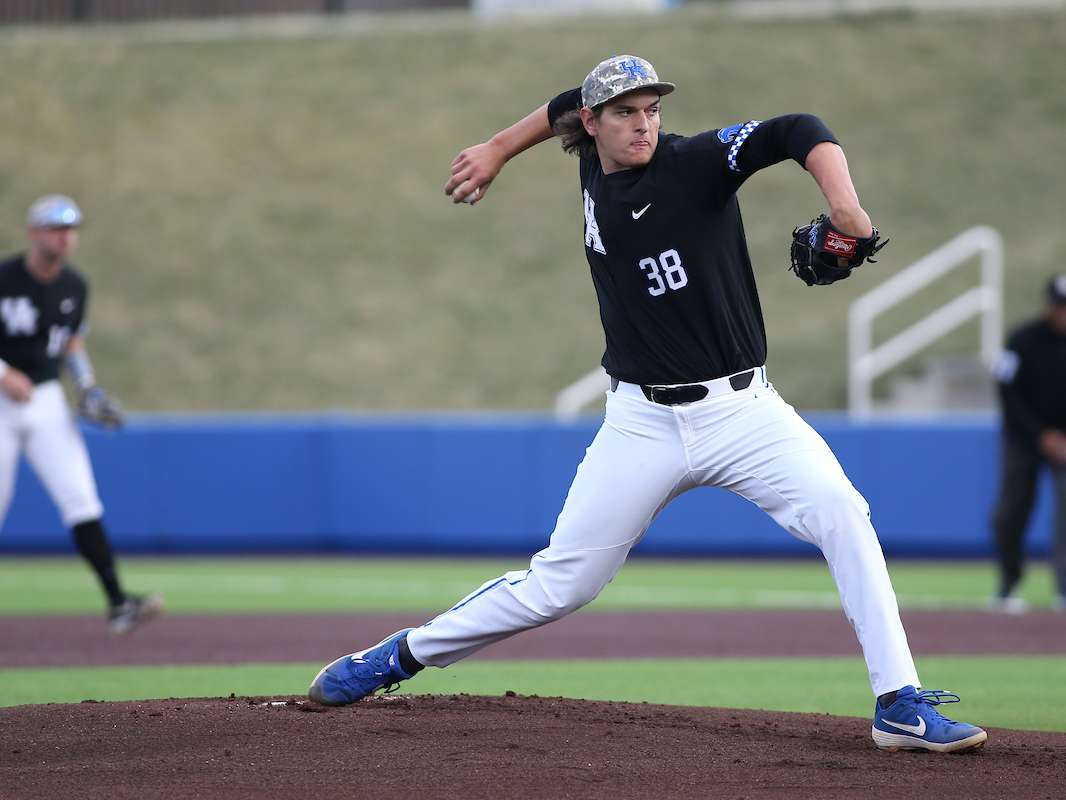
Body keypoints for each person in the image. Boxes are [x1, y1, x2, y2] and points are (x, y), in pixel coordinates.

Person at [306, 55, 986, 753]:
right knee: (560, 586)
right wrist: (498, 149)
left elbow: (796, 130)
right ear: (592, 124)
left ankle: (898, 702)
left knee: (844, 513)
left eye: (652, 108)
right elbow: (557, 106)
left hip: (745, 412)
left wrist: (846, 206)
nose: (644, 123)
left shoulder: (693, 164)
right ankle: (400, 656)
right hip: (641, 423)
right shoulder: (592, 157)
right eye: (626, 112)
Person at [0, 194, 163, 639]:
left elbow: (71, 343)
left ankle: (119, 604)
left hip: (44, 397)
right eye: (56, 228)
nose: (65, 236)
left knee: (80, 498)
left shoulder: (74, 286)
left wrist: (86, 386)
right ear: (34, 232)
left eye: (70, 229)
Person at [990, 274, 1066, 614]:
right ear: (1048, 306)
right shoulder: (1022, 340)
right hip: (1023, 437)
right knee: (1011, 511)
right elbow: (1007, 393)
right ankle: (1009, 582)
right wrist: (1041, 435)